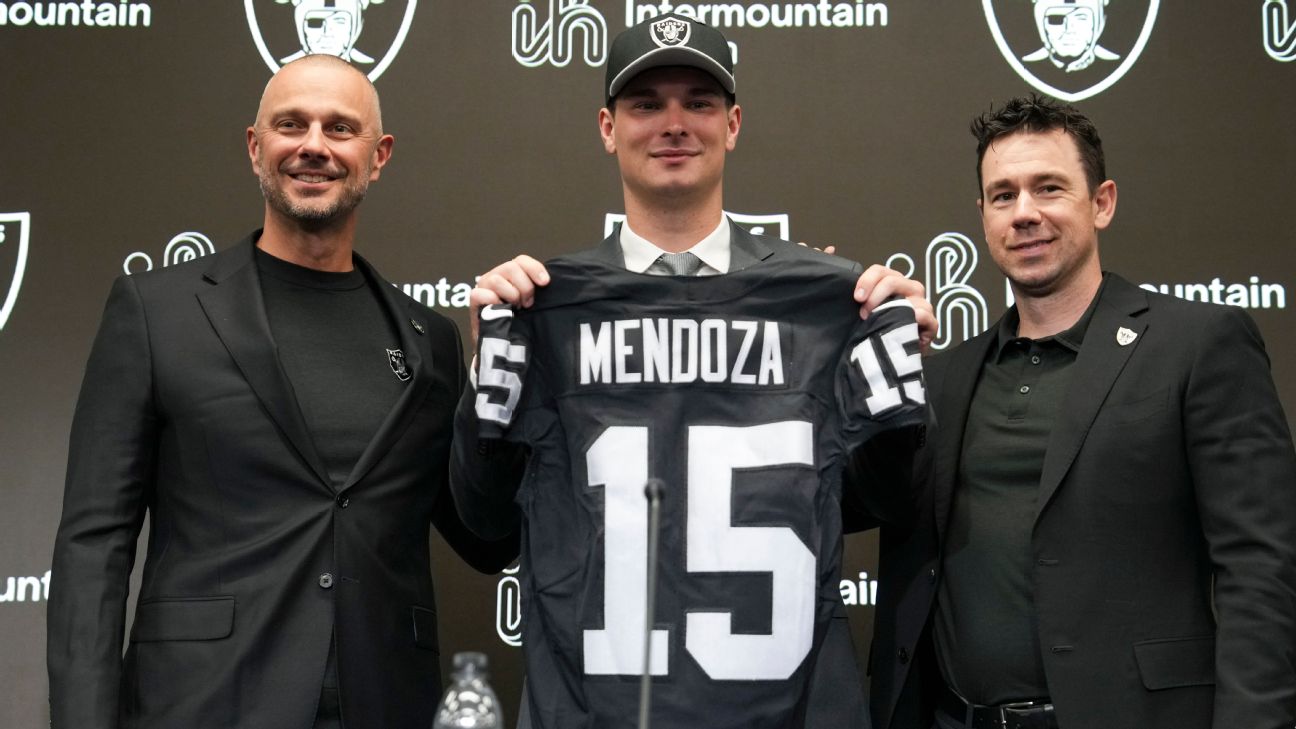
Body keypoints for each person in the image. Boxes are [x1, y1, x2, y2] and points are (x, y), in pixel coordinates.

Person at [452, 14, 933, 728]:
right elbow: (482, 522)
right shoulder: (540, 308)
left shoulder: (831, 304)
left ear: (732, 124)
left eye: (698, 103)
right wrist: (488, 370)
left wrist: (896, 369)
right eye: (646, 104)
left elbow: (887, 500)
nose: (673, 124)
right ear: (608, 127)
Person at [46, 54, 516, 729]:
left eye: (340, 128)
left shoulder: (430, 341)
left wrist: (495, 386)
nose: (313, 145)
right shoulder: (156, 313)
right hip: (201, 706)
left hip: (385, 705)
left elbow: (488, 538)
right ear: (254, 146)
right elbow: (93, 545)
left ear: (378, 156)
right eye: (291, 124)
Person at [867, 94, 1296, 729]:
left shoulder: (1199, 344)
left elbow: (1260, 566)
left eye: (1049, 188)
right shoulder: (941, 377)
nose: (1025, 213)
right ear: (983, 216)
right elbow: (858, 502)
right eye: (1004, 195)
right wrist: (867, 364)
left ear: (1102, 202)